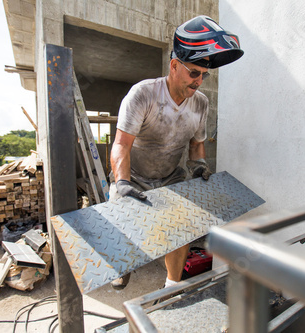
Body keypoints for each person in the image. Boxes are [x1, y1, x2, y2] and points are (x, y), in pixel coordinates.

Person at [109, 15, 244, 290]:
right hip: (134, 175)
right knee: (121, 223)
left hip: (171, 176)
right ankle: (121, 266)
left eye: (204, 75)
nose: (199, 82)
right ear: (174, 66)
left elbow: (196, 143)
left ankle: (172, 285)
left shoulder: (201, 103)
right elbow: (122, 143)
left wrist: (199, 165)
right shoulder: (143, 95)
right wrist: (121, 183)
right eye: (194, 73)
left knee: (184, 227)